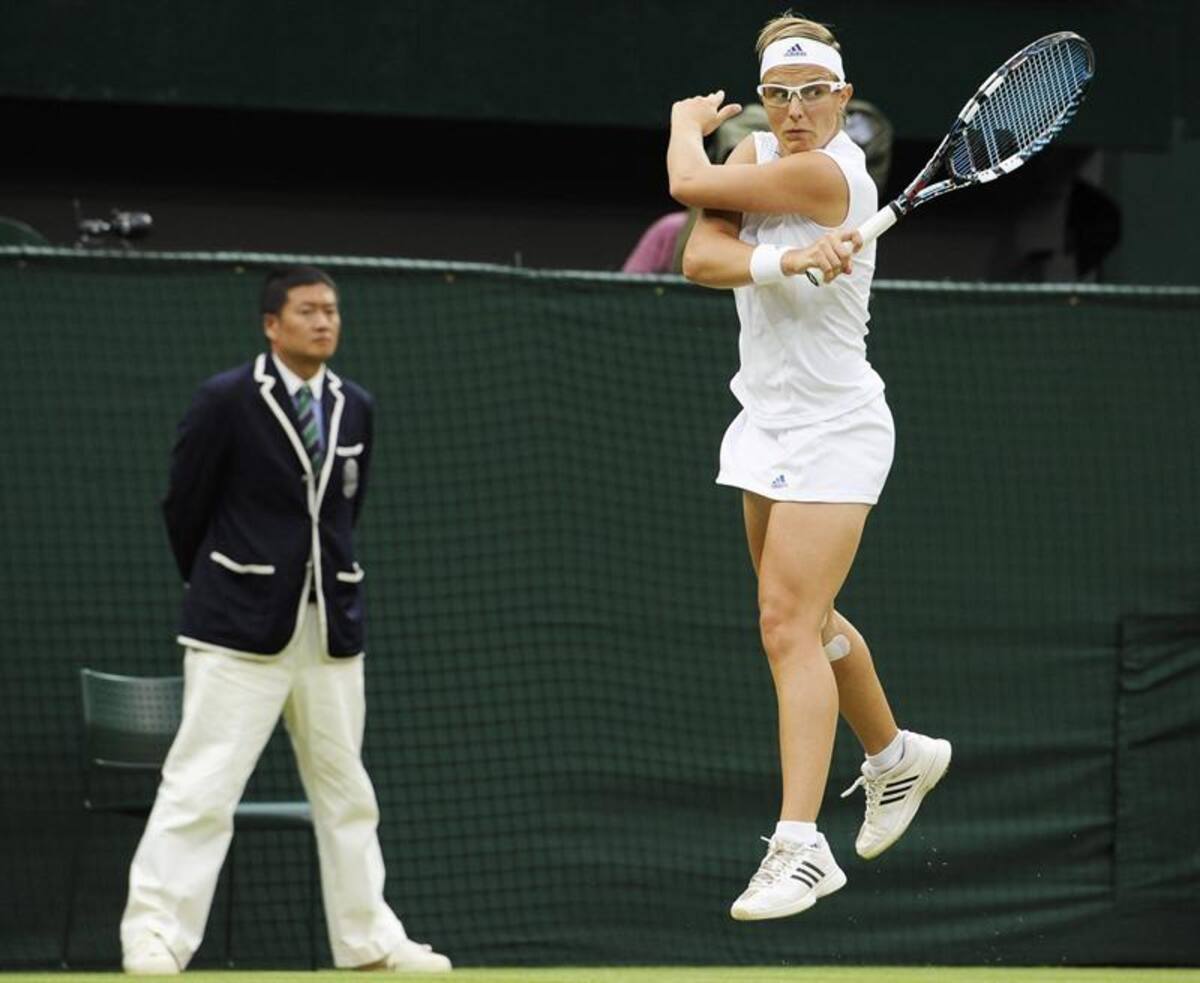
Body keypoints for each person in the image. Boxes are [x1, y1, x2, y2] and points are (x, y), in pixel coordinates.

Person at [666, 14, 951, 921]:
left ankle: (800, 846)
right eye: (777, 96)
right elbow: (699, 254)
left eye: (810, 94)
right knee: (808, 618)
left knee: (785, 624)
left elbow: (684, 178)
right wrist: (789, 255)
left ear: (839, 97)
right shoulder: (752, 162)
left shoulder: (833, 174)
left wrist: (684, 122)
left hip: (837, 425)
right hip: (764, 419)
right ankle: (895, 752)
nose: (793, 111)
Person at [119, 267, 451, 974]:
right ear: (272, 324)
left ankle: (368, 941)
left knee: (347, 791)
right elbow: (185, 506)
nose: (324, 321)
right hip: (235, 630)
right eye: (307, 310)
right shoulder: (226, 399)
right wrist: (228, 580)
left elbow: (342, 514)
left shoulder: (354, 404)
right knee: (200, 786)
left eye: (331, 310)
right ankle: (155, 937)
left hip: (330, 630)